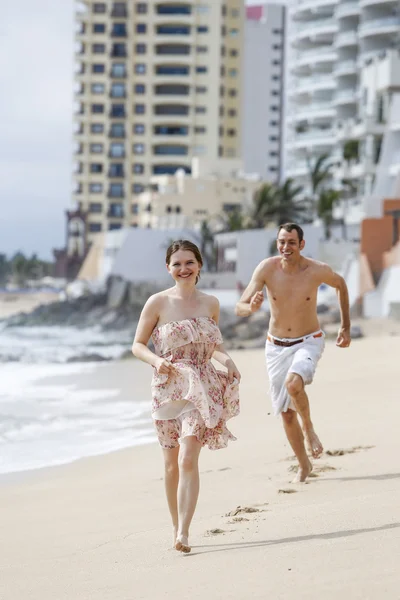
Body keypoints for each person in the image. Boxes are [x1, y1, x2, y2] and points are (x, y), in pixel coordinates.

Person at [132, 240, 240, 553]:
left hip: (201, 387)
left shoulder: (211, 303)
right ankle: (175, 525)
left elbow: (212, 345)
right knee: (170, 465)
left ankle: (184, 533)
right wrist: (156, 360)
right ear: (168, 268)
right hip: (167, 388)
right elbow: (137, 345)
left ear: (199, 265)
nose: (183, 269)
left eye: (189, 262)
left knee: (187, 457)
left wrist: (228, 360)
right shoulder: (157, 303)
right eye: (177, 264)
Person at [235, 223, 351, 483]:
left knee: (293, 384)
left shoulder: (316, 270)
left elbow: (341, 284)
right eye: (282, 242)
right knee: (287, 415)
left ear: (302, 244)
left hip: (308, 341)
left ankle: (309, 429)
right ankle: (304, 464)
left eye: (291, 242)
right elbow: (239, 307)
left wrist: (345, 327)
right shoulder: (267, 268)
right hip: (275, 346)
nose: (285, 247)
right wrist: (251, 308)